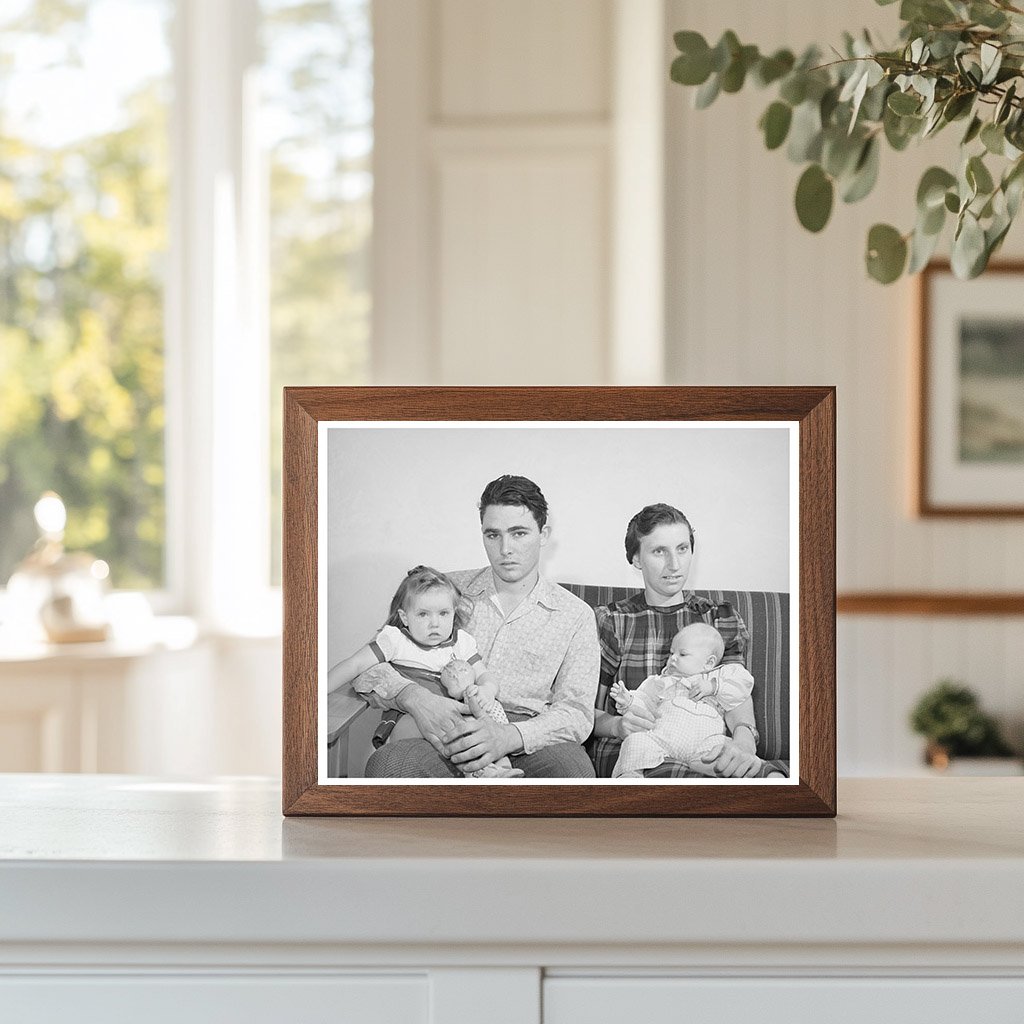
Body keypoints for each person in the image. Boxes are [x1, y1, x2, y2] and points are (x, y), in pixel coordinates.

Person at [355, 475, 600, 778]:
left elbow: (576, 713)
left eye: (519, 533)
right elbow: (368, 667)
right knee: (389, 767)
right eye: (493, 535)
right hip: (448, 727)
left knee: (575, 777)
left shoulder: (576, 614)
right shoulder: (446, 590)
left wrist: (508, 736)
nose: (505, 548)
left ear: (543, 534)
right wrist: (416, 699)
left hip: (531, 736)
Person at [591, 502, 773, 778]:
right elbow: (583, 710)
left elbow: (735, 692)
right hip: (636, 747)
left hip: (703, 743)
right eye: (658, 551)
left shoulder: (718, 617)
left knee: (768, 776)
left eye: (682, 549)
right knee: (671, 771)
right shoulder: (611, 620)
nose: (674, 565)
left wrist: (744, 741)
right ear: (637, 559)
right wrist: (617, 724)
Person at [327, 565, 522, 778]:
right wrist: (317, 690)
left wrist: (486, 689)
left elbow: (485, 674)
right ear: (404, 617)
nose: (434, 623)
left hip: (456, 716)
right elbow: (354, 664)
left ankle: (500, 770)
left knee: (485, 722)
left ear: (453, 613)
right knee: (461, 728)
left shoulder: (461, 643)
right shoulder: (395, 640)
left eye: (443, 613)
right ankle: (478, 771)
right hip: (408, 721)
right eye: (422, 614)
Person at [609, 623, 754, 777]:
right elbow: (644, 703)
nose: (673, 659)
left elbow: (743, 685)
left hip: (706, 743)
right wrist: (629, 701)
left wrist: (713, 686)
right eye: (671, 653)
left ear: (709, 662)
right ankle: (630, 776)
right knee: (636, 741)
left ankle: (721, 771)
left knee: (724, 750)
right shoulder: (661, 682)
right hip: (662, 740)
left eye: (682, 654)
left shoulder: (718, 677)